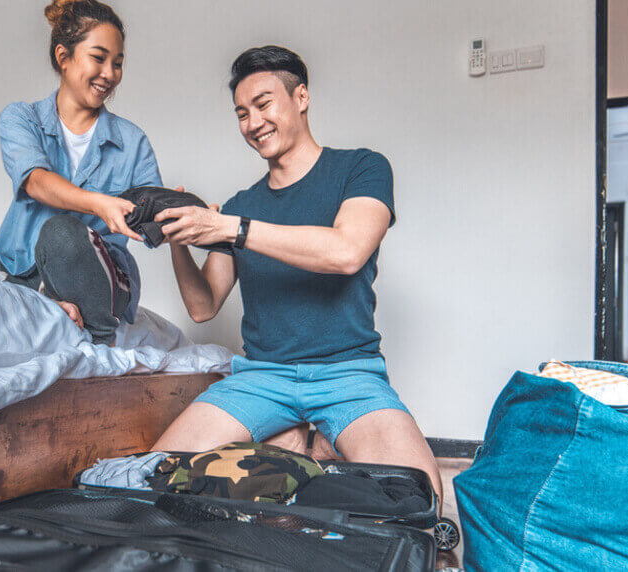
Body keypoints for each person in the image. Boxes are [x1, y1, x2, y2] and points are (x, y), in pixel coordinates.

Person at [148, 46, 442, 504]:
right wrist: (179, 238)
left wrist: (231, 228)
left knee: (419, 498)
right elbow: (204, 306)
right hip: (261, 378)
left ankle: (309, 442)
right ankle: (301, 443)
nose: (252, 123)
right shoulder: (242, 204)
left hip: (348, 374)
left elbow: (346, 252)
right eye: (242, 113)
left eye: (263, 104)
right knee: (156, 475)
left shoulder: (361, 168)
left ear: (301, 96)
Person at [0, 0, 160, 346]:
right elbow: (37, 182)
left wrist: (177, 212)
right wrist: (100, 204)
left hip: (94, 276)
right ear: (64, 57)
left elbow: (151, 226)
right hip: (17, 264)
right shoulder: (20, 118)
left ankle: (91, 331)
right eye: (99, 58)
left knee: (60, 234)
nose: (110, 74)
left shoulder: (133, 142)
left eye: (117, 63)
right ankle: (37, 296)